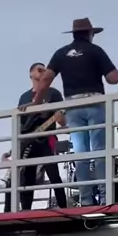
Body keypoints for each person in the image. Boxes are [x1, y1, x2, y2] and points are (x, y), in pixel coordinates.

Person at [32, 18, 118, 207]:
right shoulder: (95, 51)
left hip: (72, 106)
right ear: (90, 33)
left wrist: (36, 102)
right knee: (100, 152)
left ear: (73, 34)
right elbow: (114, 78)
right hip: (95, 102)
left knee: (80, 153)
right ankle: (105, 197)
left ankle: (85, 199)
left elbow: (46, 78)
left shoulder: (61, 53)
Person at [17, 62, 68, 212]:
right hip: (28, 140)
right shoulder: (24, 97)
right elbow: (21, 123)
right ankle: (26, 211)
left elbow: (63, 120)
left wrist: (60, 118)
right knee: (28, 177)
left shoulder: (53, 93)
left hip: (47, 138)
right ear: (31, 74)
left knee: (53, 174)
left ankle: (64, 208)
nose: (43, 72)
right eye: (39, 70)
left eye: (45, 70)